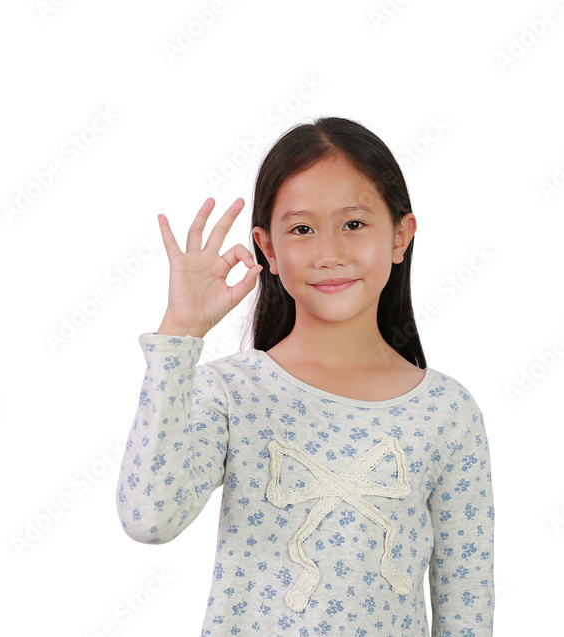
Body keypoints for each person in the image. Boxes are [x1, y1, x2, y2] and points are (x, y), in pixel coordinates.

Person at [114, 116, 494, 636]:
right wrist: (179, 334)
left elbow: (466, 608)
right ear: (268, 249)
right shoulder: (230, 394)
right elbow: (149, 518)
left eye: (354, 224)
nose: (329, 253)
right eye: (301, 229)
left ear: (400, 236)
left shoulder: (446, 412)